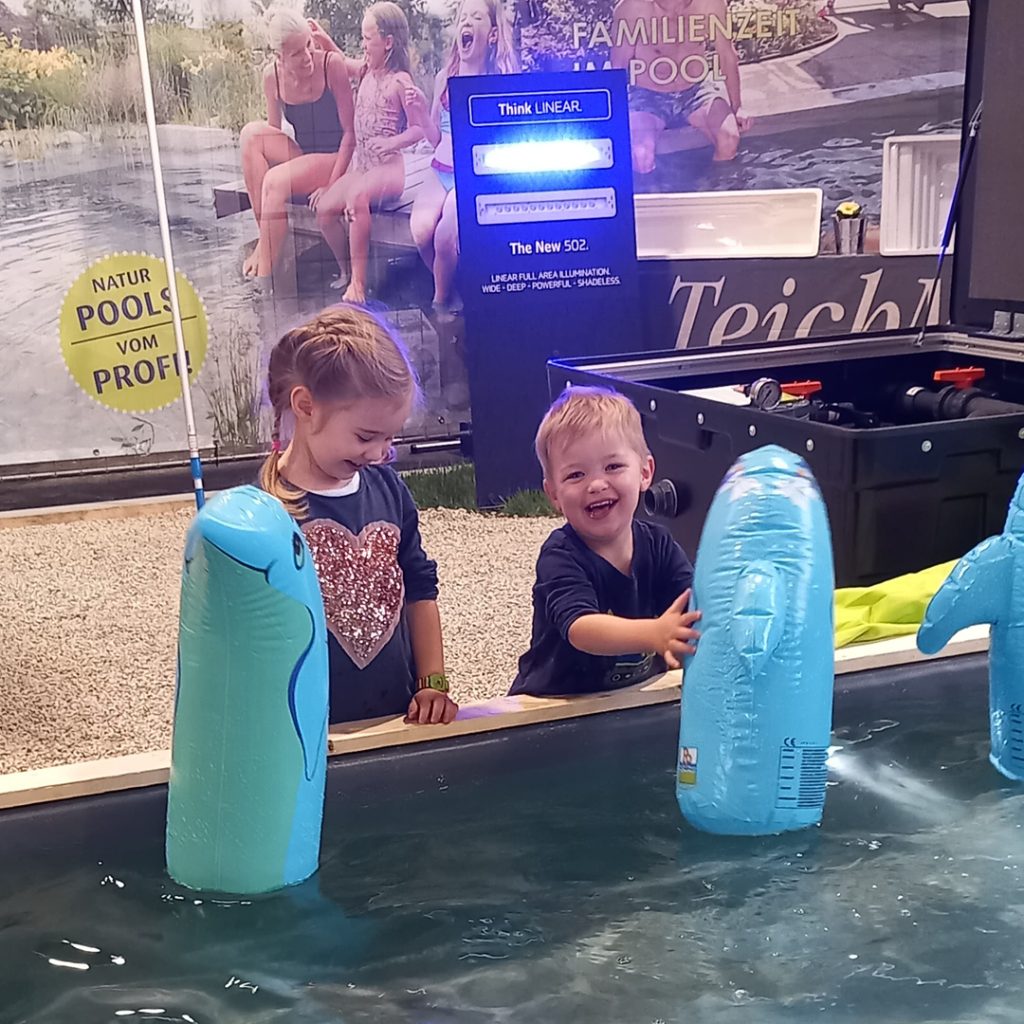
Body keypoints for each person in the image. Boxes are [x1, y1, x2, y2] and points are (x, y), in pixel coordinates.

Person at [258, 305, 458, 726]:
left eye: (389, 437)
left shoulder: (389, 489)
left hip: (397, 718)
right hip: (304, 732)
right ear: (306, 406)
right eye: (366, 436)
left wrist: (433, 683)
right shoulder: (263, 509)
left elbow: (421, 587)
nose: (379, 452)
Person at [509, 386, 701, 698]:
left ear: (644, 472)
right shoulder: (561, 554)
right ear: (554, 493)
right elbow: (580, 628)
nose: (597, 484)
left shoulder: (658, 544)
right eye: (575, 475)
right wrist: (654, 634)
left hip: (626, 701)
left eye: (613, 467)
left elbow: (694, 606)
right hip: (553, 709)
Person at [404, 0, 519, 316]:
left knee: (444, 238)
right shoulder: (445, 77)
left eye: (477, 17)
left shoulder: (498, 81)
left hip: (474, 175)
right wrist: (417, 110)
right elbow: (435, 137)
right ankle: (453, 286)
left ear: (492, 34)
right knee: (420, 230)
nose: (467, 22)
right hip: (441, 168)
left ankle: (440, 304)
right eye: (463, 17)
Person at [311, 2, 424, 303]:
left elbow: (418, 130)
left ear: (388, 43)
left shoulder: (400, 82)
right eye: (362, 38)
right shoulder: (364, 71)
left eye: (367, 39)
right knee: (324, 210)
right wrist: (324, 40)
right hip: (363, 167)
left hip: (389, 169)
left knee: (356, 197)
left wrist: (392, 143)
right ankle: (346, 270)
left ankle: (359, 284)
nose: (363, 45)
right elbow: (341, 60)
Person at [240, 4, 356, 280]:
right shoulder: (273, 76)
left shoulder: (331, 65)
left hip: (339, 158)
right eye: (296, 52)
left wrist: (332, 185)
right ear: (279, 56)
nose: (307, 57)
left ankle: (265, 272)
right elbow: (272, 133)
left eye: (308, 45)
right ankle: (266, 240)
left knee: (276, 182)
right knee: (250, 136)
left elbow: (351, 134)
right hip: (306, 157)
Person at [610, 0, 752, 174]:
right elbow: (618, 65)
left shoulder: (710, 4)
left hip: (697, 90)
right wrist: (614, 117)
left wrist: (737, 107)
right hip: (648, 95)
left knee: (728, 139)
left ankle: (715, 190)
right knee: (640, 156)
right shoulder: (632, 7)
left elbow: (726, 54)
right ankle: (657, 196)